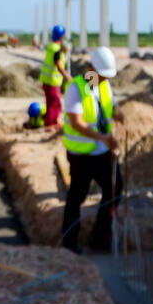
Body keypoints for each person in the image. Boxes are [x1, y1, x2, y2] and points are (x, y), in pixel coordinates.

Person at [61, 48, 124, 254]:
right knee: (77, 197)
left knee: (114, 190)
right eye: (102, 75)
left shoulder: (104, 87)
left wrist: (118, 113)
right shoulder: (75, 88)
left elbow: (110, 107)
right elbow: (77, 123)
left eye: (107, 76)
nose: (105, 79)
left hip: (102, 154)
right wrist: (103, 138)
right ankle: (69, 242)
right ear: (91, 69)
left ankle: (100, 235)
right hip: (82, 156)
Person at [40, 25, 69, 127]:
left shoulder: (51, 47)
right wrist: (68, 77)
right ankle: (51, 124)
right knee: (54, 104)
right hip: (52, 81)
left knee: (51, 104)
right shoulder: (56, 49)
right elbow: (59, 66)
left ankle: (51, 122)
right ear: (61, 37)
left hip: (47, 80)